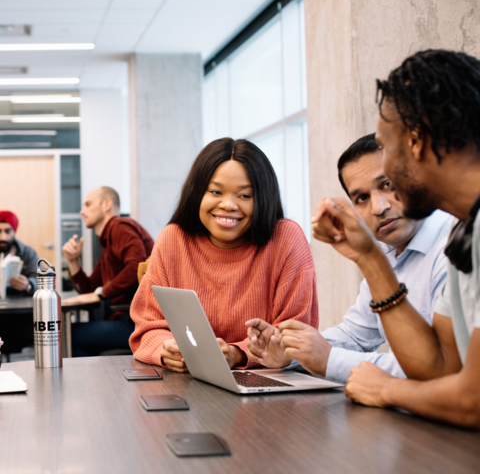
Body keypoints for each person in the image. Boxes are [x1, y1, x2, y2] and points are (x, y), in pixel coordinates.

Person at [311, 49, 480, 428]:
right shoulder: (467, 230)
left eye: (385, 149)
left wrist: (386, 389)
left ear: (416, 143)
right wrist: (369, 256)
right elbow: (441, 369)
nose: (380, 203)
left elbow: (473, 399)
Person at [246, 134, 452, 381]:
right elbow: (356, 335)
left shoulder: (454, 247)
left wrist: (328, 359)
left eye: (387, 184)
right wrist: (291, 350)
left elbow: (439, 368)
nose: (378, 207)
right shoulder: (385, 252)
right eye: (362, 198)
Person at [129, 138, 319, 371]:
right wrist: (165, 349)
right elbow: (148, 326)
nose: (228, 205)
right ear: (197, 193)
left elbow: (295, 333)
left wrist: (238, 353)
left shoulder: (286, 239)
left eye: (244, 195)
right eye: (216, 191)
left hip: (267, 388)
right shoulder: (173, 239)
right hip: (187, 385)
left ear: (263, 199)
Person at [62, 187, 154, 357]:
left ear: (106, 205)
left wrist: (102, 293)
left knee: (65, 335)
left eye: (88, 204)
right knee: (75, 348)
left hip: (136, 324)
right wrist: (73, 260)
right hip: (126, 320)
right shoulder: (108, 245)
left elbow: (137, 266)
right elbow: (88, 289)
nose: (82, 211)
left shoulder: (119, 226)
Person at [0, 210, 39, 296]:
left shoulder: (28, 252)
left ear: (14, 232)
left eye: (7, 231)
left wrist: (28, 285)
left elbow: (39, 280)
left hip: (21, 303)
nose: (3, 237)